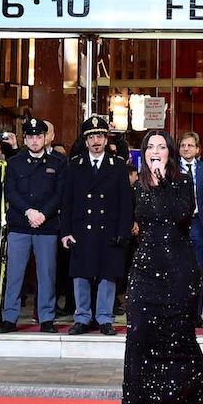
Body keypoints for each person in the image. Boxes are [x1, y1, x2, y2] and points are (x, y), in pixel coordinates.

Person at [118, 131, 203, 404]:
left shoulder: (182, 183)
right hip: (145, 270)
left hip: (178, 270)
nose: (155, 151)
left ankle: (197, 401)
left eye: (161, 147)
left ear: (170, 153)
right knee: (138, 336)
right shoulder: (137, 186)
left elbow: (181, 216)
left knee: (180, 338)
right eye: (150, 147)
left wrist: (164, 183)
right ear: (144, 153)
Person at [61, 116, 132, 336]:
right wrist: (65, 232)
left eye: (100, 136)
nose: (96, 141)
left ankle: (104, 318)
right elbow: (67, 201)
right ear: (85, 141)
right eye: (91, 137)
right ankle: (82, 317)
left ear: (106, 139)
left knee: (107, 274)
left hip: (108, 228)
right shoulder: (75, 165)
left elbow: (126, 203)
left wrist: (123, 231)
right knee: (81, 275)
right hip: (81, 228)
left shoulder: (117, 166)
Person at [0, 117, 66, 333]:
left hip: (46, 225)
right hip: (20, 224)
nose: (35, 140)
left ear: (45, 138)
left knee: (46, 274)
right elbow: (10, 192)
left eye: (39, 136)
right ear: (25, 140)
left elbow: (59, 194)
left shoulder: (57, 163)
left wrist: (43, 214)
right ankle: (9, 317)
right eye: (30, 137)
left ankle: (46, 318)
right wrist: (29, 212)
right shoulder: (15, 162)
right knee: (14, 274)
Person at [178, 132, 203, 327]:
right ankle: (178, 313)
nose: (186, 148)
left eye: (190, 145)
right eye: (183, 145)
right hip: (177, 225)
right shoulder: (171, 168)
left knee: (197, 272)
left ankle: (196, 314)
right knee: (177, 270)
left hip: (197, 224)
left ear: (197, 149)